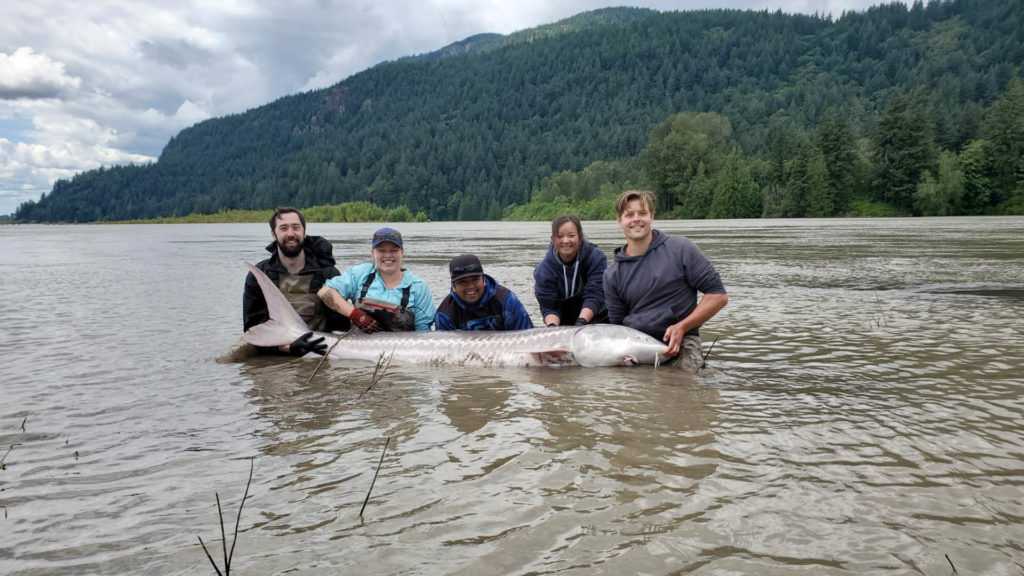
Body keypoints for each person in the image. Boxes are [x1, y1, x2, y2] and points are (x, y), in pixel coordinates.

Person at [604, 190, 728, 371]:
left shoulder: (681, 249)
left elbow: (718, 296)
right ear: (620, 221)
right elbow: (618, 329)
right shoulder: (611, 274)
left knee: (687, 381)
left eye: (642, 213)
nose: (636, 219)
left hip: (683, 340)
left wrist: (683, 326)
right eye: (629, 215)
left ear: (652, 216)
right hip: (637, 347)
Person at [242, 207, 344, 356]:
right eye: (283, 228)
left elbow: (340, 328)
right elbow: (253, 331)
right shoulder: (259, 276)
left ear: (304, 232)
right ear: (273, 233)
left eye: (296, 227)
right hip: (276, 355)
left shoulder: (328, 273)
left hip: (319, 351)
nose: (290, 234)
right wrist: (288, 348)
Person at [317, 227, 436, 332]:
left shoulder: (418, 286)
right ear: (372, 253)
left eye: (394, 250)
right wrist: (355, 314)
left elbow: (423, 332)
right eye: (381, 250)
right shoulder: (360, 274)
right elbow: (325, 291)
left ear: (402, 253)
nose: (388, 255)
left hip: (400, 350)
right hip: (358, 346)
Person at [533, 215, 608, 327]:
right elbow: (549, 307)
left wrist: (581, 322)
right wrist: (552, 329)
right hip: (563, 324)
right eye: (559, 236)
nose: (565, 241)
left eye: (571, 235)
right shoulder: (544, 269)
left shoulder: (596, 258)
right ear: (553, 240)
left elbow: (594, 295)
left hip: (598, 320)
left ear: (580, 238)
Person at [435, 254, 535, 331]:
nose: (470, 286)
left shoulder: (506, 300)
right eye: (463, 282)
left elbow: (527, 335)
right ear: (454, 287)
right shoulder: (445, 313)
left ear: (483, 280)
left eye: (475, 279)